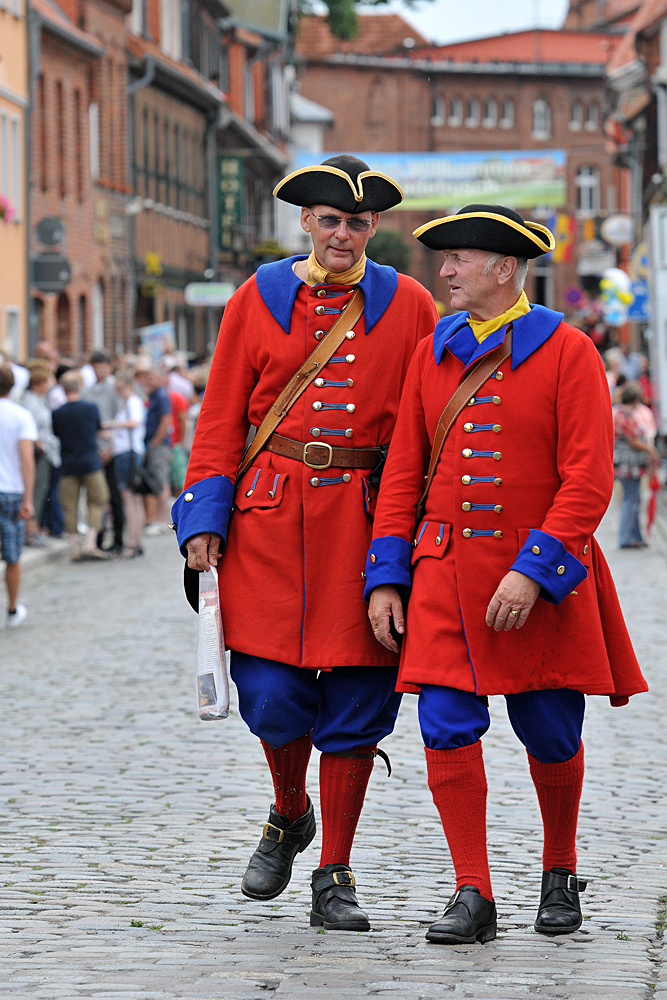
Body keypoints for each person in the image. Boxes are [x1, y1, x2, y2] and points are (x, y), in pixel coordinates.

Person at [365, 204, 648, 945]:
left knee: (550, 730)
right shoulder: (431, 352)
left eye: (457, 260)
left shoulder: (568, 351)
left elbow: (588, 479)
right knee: (443, 725)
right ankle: (472, 891)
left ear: (503, 268)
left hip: (536, 578)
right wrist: (387, 576)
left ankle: (558, 871)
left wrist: (534, 572)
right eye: (443, 260)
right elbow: (401, 478)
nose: (444, 272)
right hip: (446, 572)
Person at [172, 155, 439, 931]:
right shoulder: (256, 297)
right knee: (271, 697)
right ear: (305, 224)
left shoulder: (411, 304)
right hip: (265, 522)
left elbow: (426, 425)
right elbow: (220, 416)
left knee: (358, 702)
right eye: (330, 220)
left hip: (364, 520)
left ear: (373, 229)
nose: (344, 235)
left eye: (357, 223)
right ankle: (290, 813)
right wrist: (203, 522)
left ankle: (335, 872)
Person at [52, 371, 110, 562]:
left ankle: (74, 548)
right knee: (98, 500)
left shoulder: (57, 413)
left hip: (68, 463)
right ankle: (90, 543)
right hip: (90, 461)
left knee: (69, 506)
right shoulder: (90, 407)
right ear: (79, 387)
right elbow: (98, 429)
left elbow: (57, 435)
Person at [0, 364, 37, 627]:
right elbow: (27, 460)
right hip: (11, 490)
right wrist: (29, 498)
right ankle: (12, 608)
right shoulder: (21, 415)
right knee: (12, 555)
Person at [82, 349, 124, 554]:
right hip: (94, 449)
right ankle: (97, 538)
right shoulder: (88, 392)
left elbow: (121, 419)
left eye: (103, 366)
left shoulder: (114, 390)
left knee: (115, 497)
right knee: (97, 497)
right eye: (96, 367)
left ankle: (118, 538)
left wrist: (111, 446)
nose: (100, 370)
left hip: (112, 448)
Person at [103, 372, 146, 558]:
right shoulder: (128, 402)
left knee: (129, 499)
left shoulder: (132, 402)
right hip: (127, 452)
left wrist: (111, 424)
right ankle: (135, 541)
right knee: (134, 499)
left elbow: (134, 423)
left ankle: (132, 543)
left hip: (127, 454)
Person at [613, 383, 657, 549]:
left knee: (633, 499)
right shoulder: (626, 416)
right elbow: (633, 440)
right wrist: (649, 449)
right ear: (636, 399)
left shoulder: (616, 412)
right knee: (631, 500)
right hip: (629, 464)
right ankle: (626, 537)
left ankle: (635, 535)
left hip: (623, 463)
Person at [20, 367, 61, 546]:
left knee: (42, 489)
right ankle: (31, 531)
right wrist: (40, 447)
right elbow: (30, 429)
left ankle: (34, 529)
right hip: (38, 453)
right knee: (37, 489)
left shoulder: (38, 400)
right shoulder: (30, 402)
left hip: (45, 450)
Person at [135, 366, 172, 535]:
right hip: (152, 443)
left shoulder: (161, 396)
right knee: (156, 479)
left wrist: (156, 442)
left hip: (157, 444)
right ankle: (158, 518)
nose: (148, 381)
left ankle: (162, 519)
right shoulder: (154, 395)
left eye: (151, 377)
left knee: (160, 480)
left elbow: (165, 420)